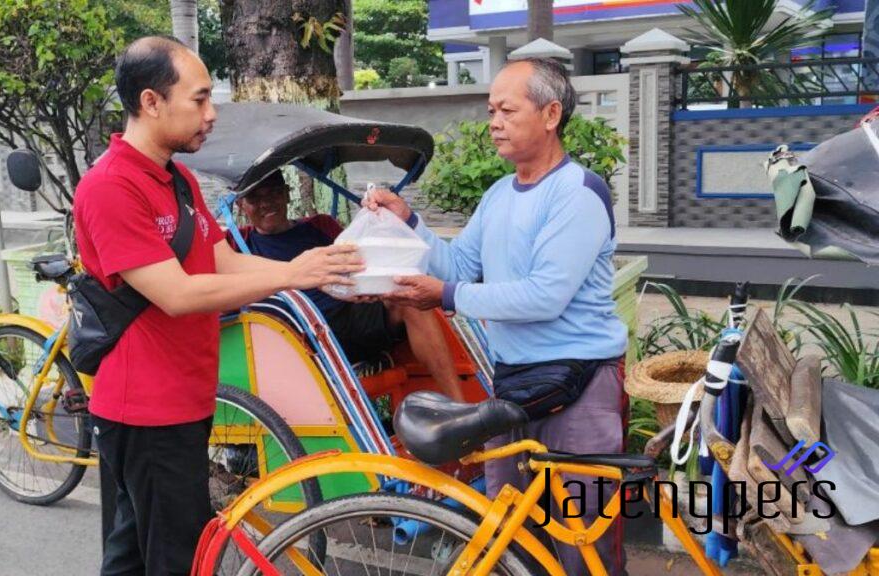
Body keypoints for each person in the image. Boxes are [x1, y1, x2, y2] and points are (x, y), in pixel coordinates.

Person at [72, 36, 362, 576]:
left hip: (184, 394)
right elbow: (177, 294)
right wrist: (293, 275)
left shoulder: (175, 177)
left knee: (135, 550)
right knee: (174, 556)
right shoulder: (110, 187)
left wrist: (309, 265)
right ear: (152, 102)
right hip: (146, 407)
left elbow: (222, 261)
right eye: (199, 99)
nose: (211, 114)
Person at [365, 57, 629, 575]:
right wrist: (409, 222)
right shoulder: (499, 195)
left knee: (586, 545)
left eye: (507, 109)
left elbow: (543, 297)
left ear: (551, 114)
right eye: (491, 110)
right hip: (514, 385)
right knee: (505, 531)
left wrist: (445, 294)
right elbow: (460, 265)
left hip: (580, 386)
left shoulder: (577, 193)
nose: (494, 122)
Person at [232, 171, 464, 398]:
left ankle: (459, 406)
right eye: (255, 198)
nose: (266, 203)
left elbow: (360, 261)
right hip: (297, 335)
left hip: (349, 314)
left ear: (287, 194)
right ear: (242, 204)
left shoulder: (319, 225)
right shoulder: (237, 243)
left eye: (273, 193)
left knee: (410, 299)